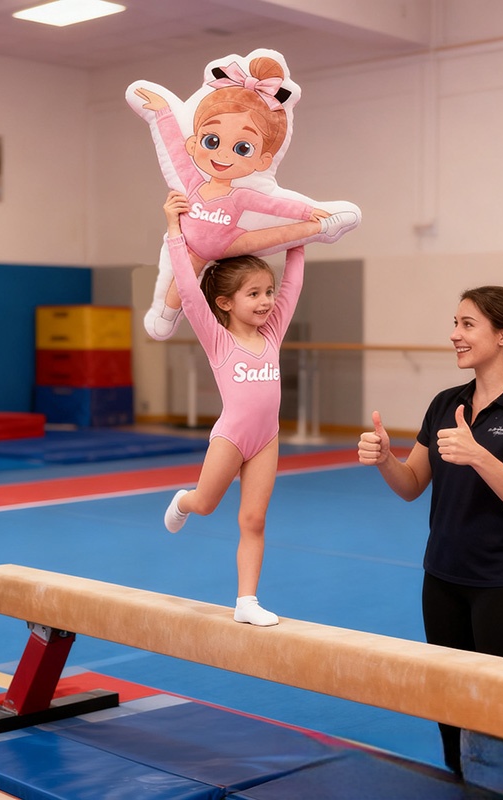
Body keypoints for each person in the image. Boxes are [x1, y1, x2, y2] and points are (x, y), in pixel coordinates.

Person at [357, 285, 503, 777]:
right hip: (442, 581)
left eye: (467, 325)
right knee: (450, 711)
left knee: (500, 714)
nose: (454, 335)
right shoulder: (446, 402)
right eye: (455, 323)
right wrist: (386, 459)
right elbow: (411, 485)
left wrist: (477, 454)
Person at [133, 54, 357, 340]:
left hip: (231, 239)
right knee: (183, 281)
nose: (223, 155)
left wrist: (305, 212)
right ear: (194, 142)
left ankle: (322, 227)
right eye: (211, 142)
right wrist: (162, 111)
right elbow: (174, 146)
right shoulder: (190, 179)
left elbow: (271, 204)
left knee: (276, 235)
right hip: (196, 249)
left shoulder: (241, 195)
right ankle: (165, 313)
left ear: (262, 161)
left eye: (242, 149)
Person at [160, 189, 306, 626]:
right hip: (231, 436)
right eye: (254, 295)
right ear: (225, 303)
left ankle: (247, 601)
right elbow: (188, 291)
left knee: (254, 518)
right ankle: (183, 500)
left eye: (268, 292)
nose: (266, 301)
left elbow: (294, 285)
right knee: (207, 504)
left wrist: (302, 233)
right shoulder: (218, 338)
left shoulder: (273, 332)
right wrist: (173, 230)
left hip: (266, 439)